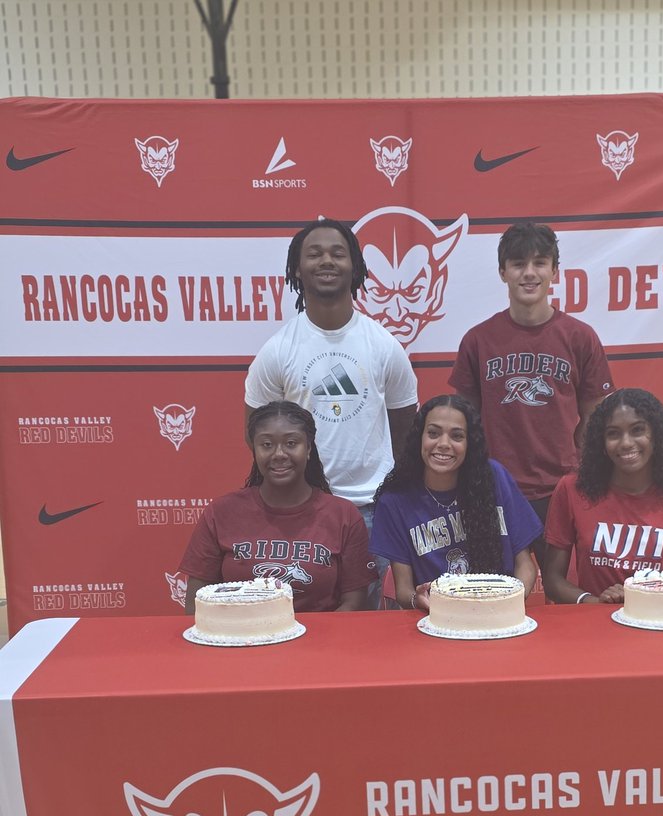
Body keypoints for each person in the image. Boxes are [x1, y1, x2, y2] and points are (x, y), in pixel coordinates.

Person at [244, 217, 419, 605]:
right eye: (315, 254)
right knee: (308, 623)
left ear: (355, 267)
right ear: (296, 269)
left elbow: (408, 432)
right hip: (303, 512)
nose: (327, 261)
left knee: (378, 629)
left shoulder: (385, 346)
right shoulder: (277, 350)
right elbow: (258, 434)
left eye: (338, 253)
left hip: (374, 511)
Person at [449, 221, 614, 565]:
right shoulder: (478, 340)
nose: (529, 273)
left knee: (566, 596)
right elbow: (465, 421)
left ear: (555, 271)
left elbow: (596, 419)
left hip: (562, 489)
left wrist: (583, 475)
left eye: (539, 263)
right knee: (498, 592)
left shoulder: (580, 337)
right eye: (518, 264)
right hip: (498, 489)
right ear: (502, 272)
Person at [181, 402, 375, 613]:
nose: (279, 454)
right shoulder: (220, 513)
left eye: (291, 443)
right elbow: (195, 603)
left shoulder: (343, 515)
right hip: (239, 639)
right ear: (254, 450)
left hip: (319, 642)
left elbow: (354, 603)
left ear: (308, 448)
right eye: (266, 444)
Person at [371, 395, 542, 613]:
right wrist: (418, 599)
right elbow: (403, 590)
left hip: (499, 612)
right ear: (419, 438)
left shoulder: (494, 478)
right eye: (433, 433)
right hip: (438, 619)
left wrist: (511, 601)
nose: (443, 444)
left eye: (457, 436)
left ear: (470, 443)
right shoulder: (395, 501)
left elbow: (525, 564)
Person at [542, 388, 663, 604]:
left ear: (656, 435)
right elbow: (552, 580)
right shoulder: (571, 490)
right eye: (613, 433)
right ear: (601, 442)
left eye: (637, 430)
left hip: (659, 626)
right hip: (594, 627)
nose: (626, 443)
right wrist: (594, 603)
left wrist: (645, 597)